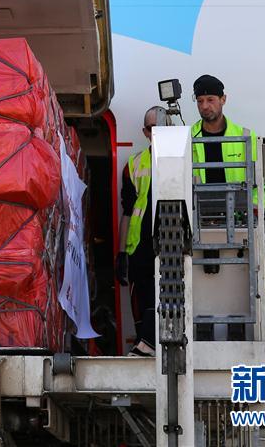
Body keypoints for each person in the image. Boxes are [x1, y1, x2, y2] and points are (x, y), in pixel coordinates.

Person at [191, 74, 264, 273]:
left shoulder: (245, 136)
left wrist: (255, 215)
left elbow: (259, 183)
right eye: (200, 101)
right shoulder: (187, 139)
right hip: (200, 224)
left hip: (240, 223)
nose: (205, 106)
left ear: (223, 99)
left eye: (210, 99)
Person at [116, 106, 165, 357]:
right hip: (139, 248)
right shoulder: (133, 164)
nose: (155, 132)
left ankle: (149, 346)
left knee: (164, 299)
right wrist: (122, 253)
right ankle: (143, 347)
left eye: (161, 127)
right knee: (143, 302)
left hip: (170, 246)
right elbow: (127, 211)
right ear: (145, 132)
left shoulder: (185, 160)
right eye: (151, 128)